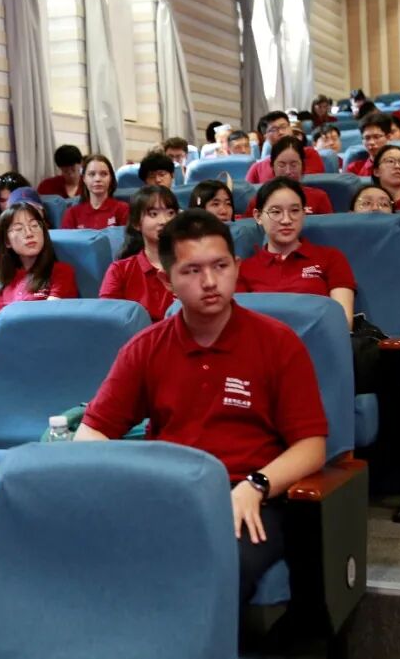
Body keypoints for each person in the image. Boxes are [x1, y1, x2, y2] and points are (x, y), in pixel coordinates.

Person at [75, 209, 328, 607]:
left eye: (220, 266)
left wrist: (256, 485)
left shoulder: (278, 343)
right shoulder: (146, 348)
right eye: (192, 271)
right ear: (168, 281)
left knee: (211, 565)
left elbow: (311, 446)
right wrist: (127, 487)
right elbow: (91, 434)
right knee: (98, 554)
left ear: (237, 266)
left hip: (249, 494)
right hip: (168, 493)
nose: (209, 282)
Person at [239, 178, 355, 328]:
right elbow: (240, 325)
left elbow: (343, 322)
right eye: (276, 212)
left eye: (294, 211)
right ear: (258, 216)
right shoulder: (244, 269)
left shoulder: (331, 258)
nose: (286, 220)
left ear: (304, 213)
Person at [0, 202, 79, 345]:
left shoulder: (61, 272)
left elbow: (48, 320)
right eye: (18, 229)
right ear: (7, 241)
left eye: (34, 226)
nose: (29, 233)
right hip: (2, 351)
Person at [99, 186, 179, 322]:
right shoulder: (120, 270)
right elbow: (107, 320)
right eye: (153, 214)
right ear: (136, 223)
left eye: (170, 213)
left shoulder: (193, 265)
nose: (164, 221)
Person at [243, 137, 334, 215]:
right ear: (272, 166)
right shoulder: (259, 200)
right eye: (281, 165)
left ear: (302, 166)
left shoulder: (319, 198)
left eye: (293, 165)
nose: (288, 171)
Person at [245, 112, 325, 184]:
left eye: (283, 127)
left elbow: (313, 184)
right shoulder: (257, 168)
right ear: (265, 137)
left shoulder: (309, 154)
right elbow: (248, 192)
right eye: (274, 129)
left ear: (291, 129)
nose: (281, 132)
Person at [60, 154, 129, 229]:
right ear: (84, 179)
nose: (97, 179)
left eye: (103, 174)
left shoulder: (123, 210)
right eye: (92, 174)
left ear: (110, 178)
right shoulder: (72, 214)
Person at [0, 172, 31, 246]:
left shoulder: (34, 223)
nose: (7, 206)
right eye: (2, 200)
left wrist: (3, 241)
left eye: (12, 199)